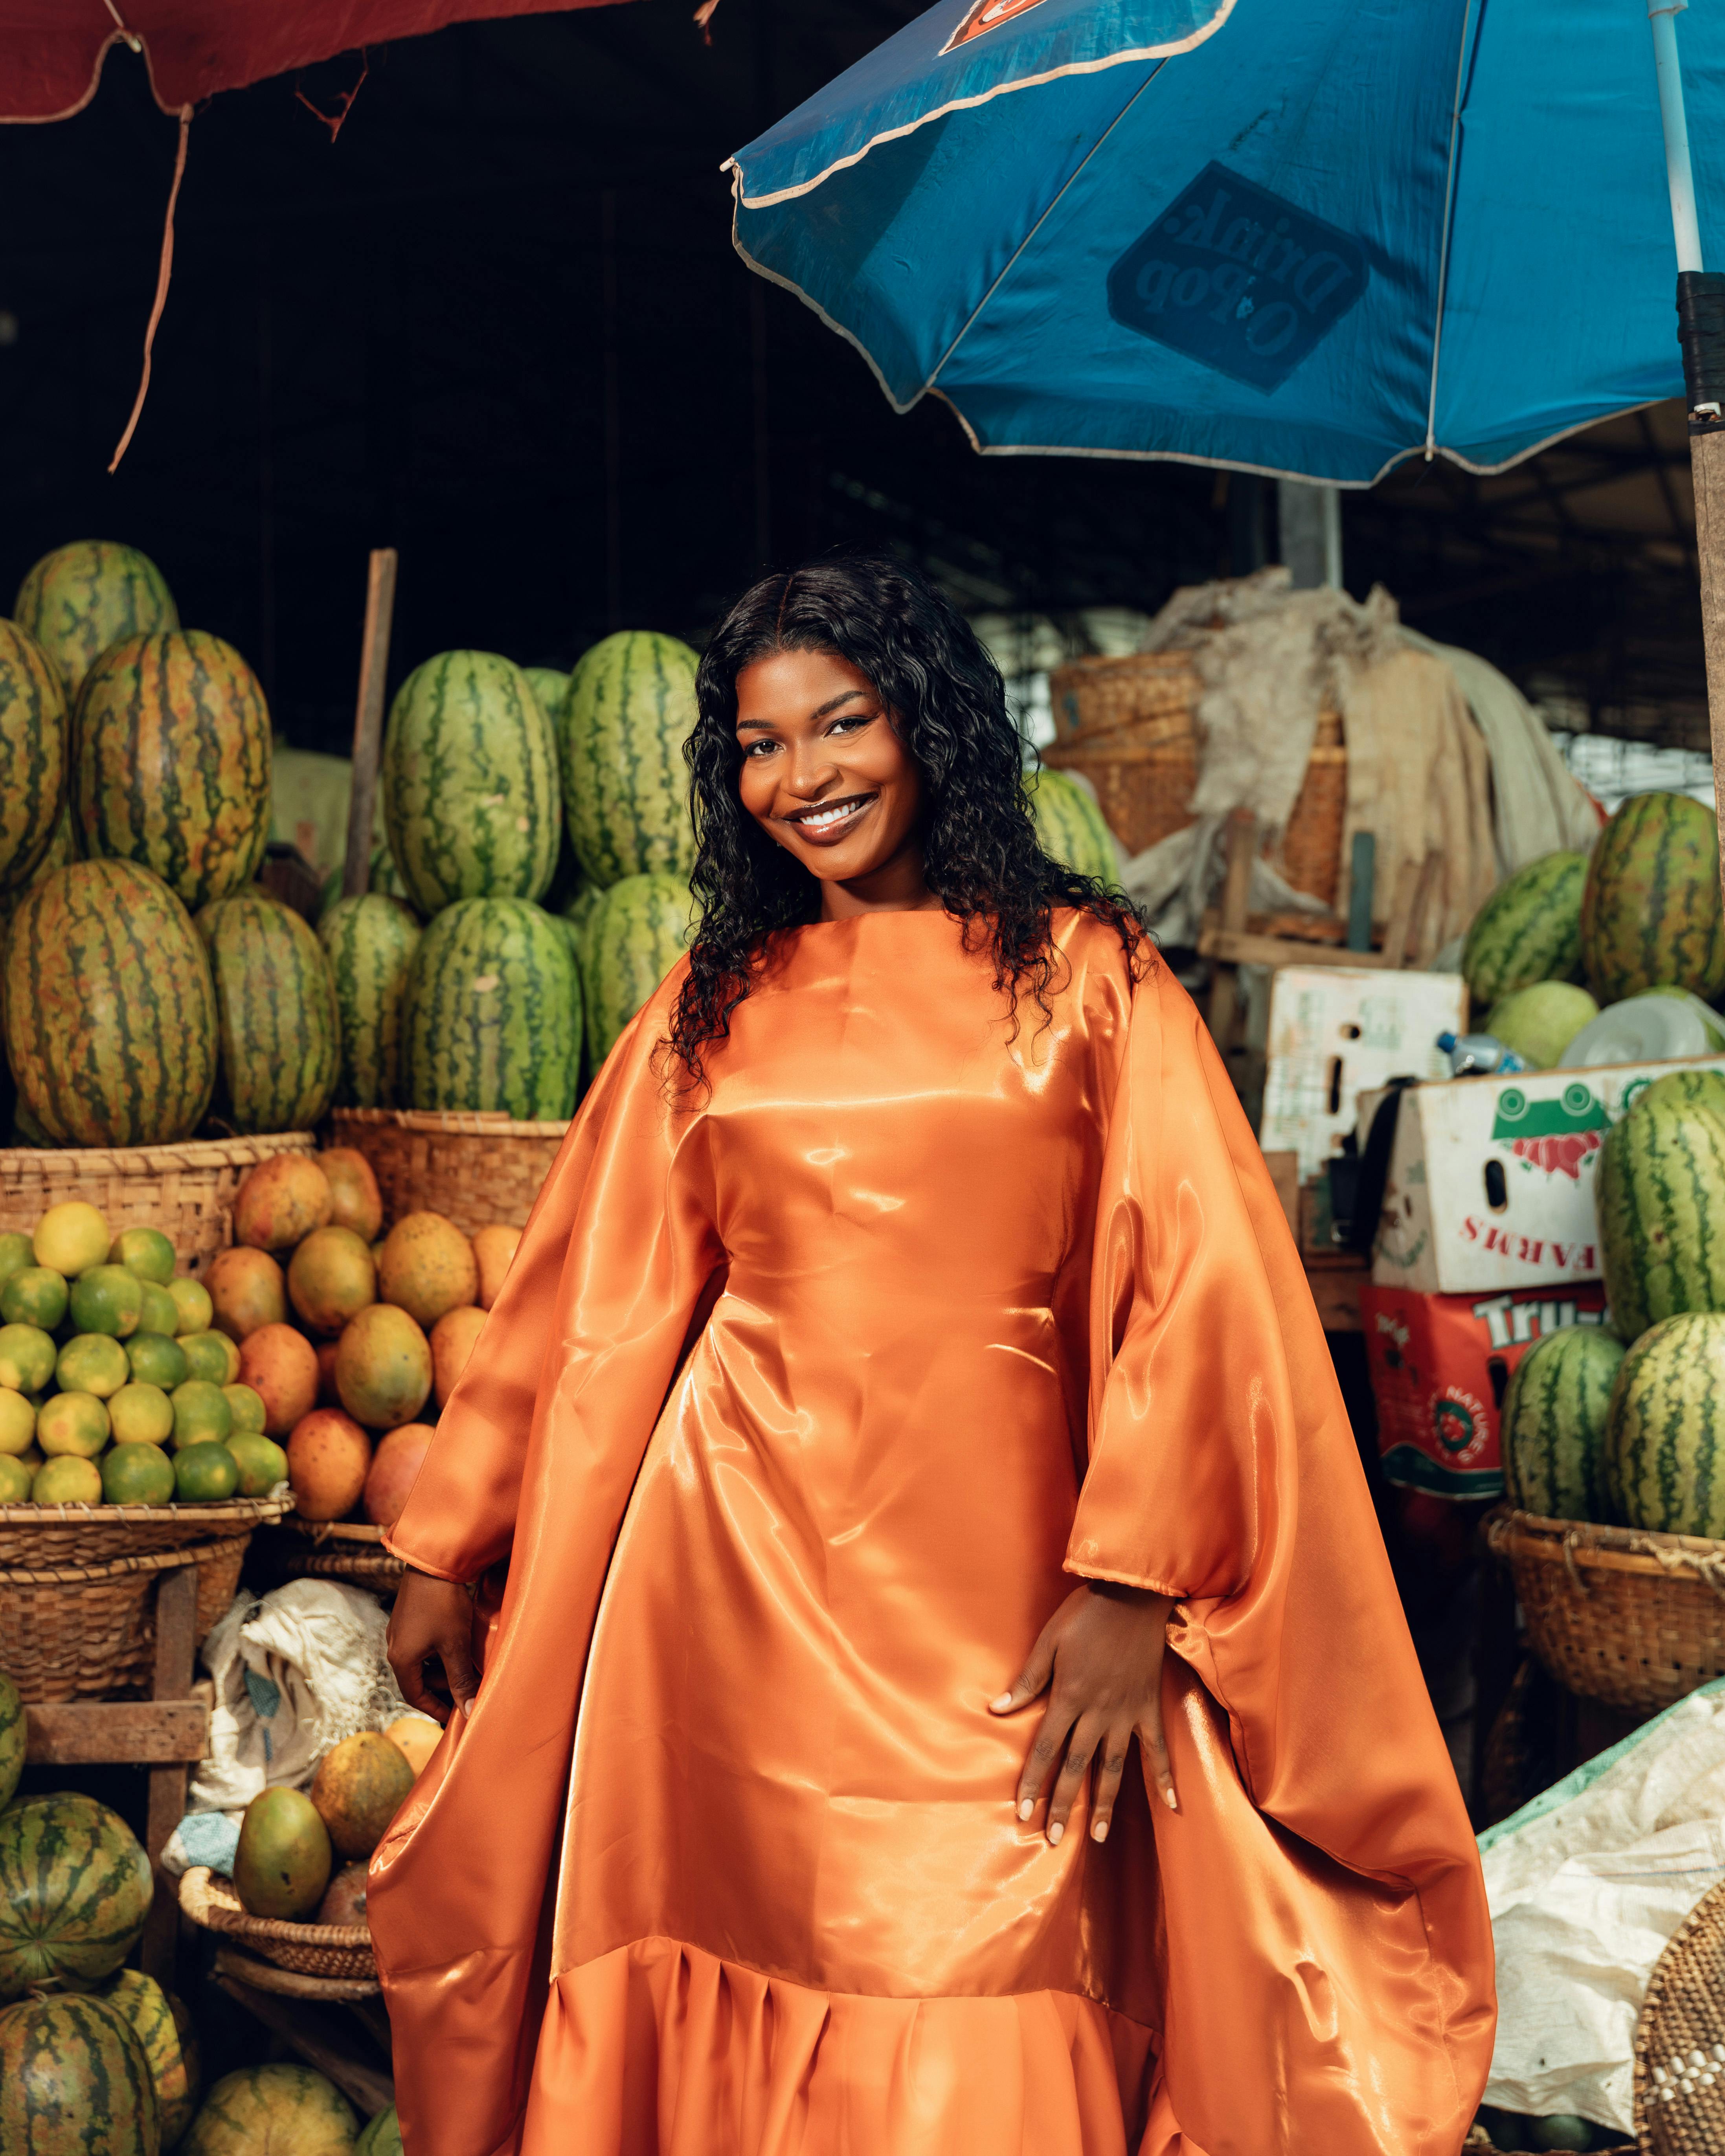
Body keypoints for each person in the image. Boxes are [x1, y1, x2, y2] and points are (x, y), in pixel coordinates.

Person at [371, 553, 1494, 2156]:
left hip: (1010, 1589)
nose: (804, 778)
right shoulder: (712, 1002)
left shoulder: (1091, 977)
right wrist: (450, 1537)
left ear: (931, 719)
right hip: (724, 1600)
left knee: (987, 1937)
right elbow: (585, 1294)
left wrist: (1130, 1583)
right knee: (736, 1919)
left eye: (843, 723)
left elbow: (1207, 1283)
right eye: (760, 745)